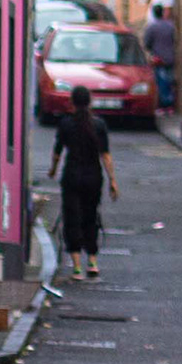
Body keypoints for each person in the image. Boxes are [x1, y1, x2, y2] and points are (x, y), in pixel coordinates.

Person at [52, 88, 116, 262]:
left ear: (72, 102)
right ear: (90, 102)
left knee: (72, 217)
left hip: (71, 176)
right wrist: (112, 181)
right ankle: (93, 261)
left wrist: (52, 170)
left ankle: (77, 266)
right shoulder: (99, 125)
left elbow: (57, 153)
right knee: (91, 216)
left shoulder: (66, 124)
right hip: (93, 177)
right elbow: (105, 155)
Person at [143, 0, 178, 115]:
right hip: (170, 58)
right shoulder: (170, 26)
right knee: (169, 81)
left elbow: (147, 43)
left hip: (159, 59)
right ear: (162, 12)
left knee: (161, 83)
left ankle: (164, 106)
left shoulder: (152, 27)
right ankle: (171, 106)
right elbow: (174, 40)